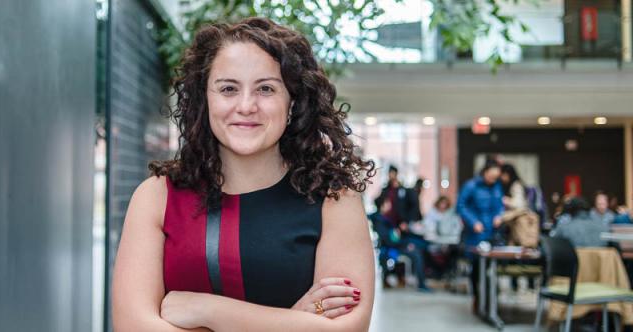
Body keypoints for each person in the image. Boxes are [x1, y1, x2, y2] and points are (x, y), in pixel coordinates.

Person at [112, 18, 375, 331]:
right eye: (228, 89)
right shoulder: (158, 197)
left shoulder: (333, 198)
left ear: (292, 101)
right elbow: (133, 326)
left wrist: (207, 310)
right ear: (204, 99)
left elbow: (347, 329)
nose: (246, 106)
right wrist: (294, 321)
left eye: (266, 89)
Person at [456, 159, 504, 313]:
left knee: (492, 268)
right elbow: (460, 206)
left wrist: (499, 215)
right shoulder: (471, 186)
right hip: (475, 234)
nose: (493, 180)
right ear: (485, 172)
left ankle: (491, 301)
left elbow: (499, 206)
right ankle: (477, 298)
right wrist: (473, 222)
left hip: (493, 233)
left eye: (496, 177)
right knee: (477, 268)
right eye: (491, 176)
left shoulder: (497, 186)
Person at [371, 197, 431, 292]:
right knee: (417, 253)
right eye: (387, 203)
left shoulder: (384, 219)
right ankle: (422, 283)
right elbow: (388, 240)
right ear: (382, 206)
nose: (389, 205)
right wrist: (403, 242)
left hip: (397, 244)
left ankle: (422, 280)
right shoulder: (379, 221)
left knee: (421, 245)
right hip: (392, 248)